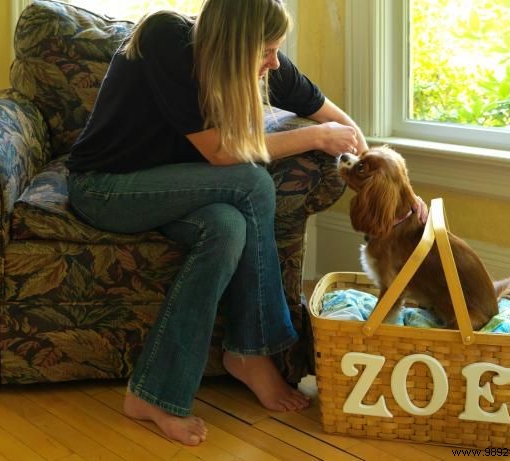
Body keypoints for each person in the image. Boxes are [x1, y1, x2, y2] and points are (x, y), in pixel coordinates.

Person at [66, 0, 369, 446]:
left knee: (227, 229)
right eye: (266, 50)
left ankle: (153, 393)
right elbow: (222, 153)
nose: (273, 62)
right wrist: (315, 137)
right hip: (107, 188)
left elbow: (334, 118)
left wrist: (393, 183)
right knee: (250, 182)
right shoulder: (167, 38)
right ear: (236, 42)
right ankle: (255, 351)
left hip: (177, 190)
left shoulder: (262, 60)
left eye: (276, 50)